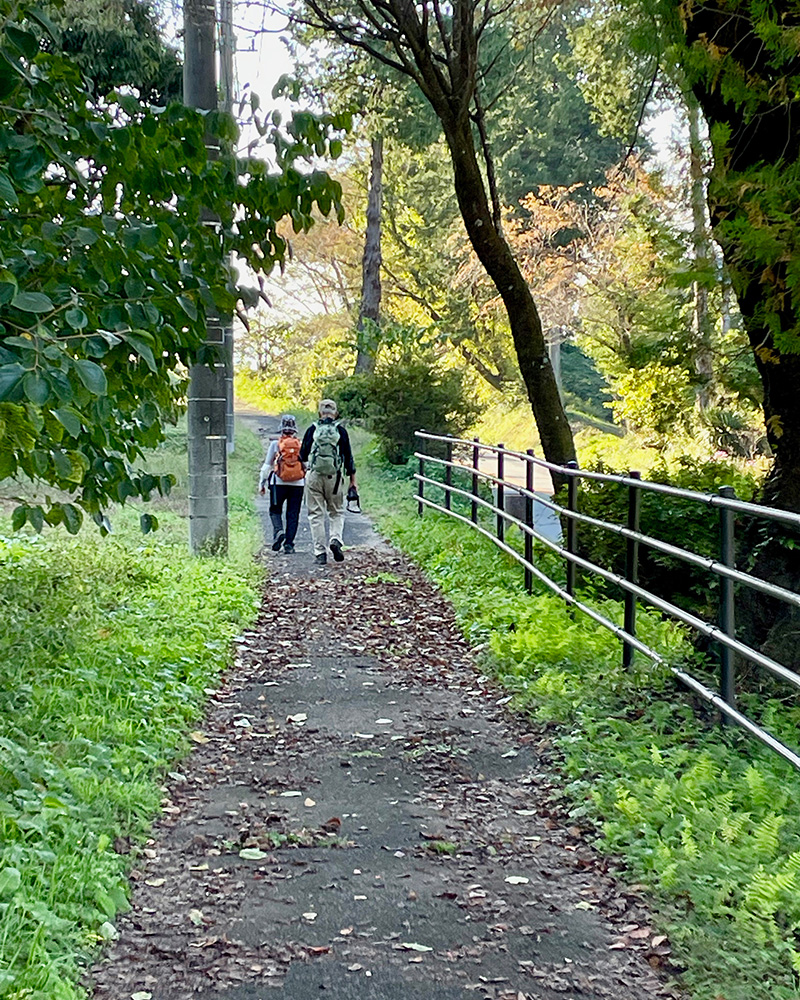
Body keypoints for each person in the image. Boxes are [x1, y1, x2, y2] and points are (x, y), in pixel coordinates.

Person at [299, 398, 357, 565]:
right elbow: (348, 458)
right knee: (336, 512)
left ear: (319, 413)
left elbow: (302, 455)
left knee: (316, 515)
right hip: (335, 478)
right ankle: (335, 539)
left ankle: (320, 553)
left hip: (314, 476)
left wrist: (308, 471)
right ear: (335, 413)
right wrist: (353, 481)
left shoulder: (312, 429)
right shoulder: (341, 431)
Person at [259, 414, 305, 554]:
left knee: (275, 510)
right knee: (293, 514)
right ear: (294, 430)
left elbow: (267, 466)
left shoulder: (275, 444)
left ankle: (278, 531)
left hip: (278, 483)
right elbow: (306, 465)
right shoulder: (300, 445)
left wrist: (262, 483)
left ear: (281, 429)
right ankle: (289, 545)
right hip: (298, 484)